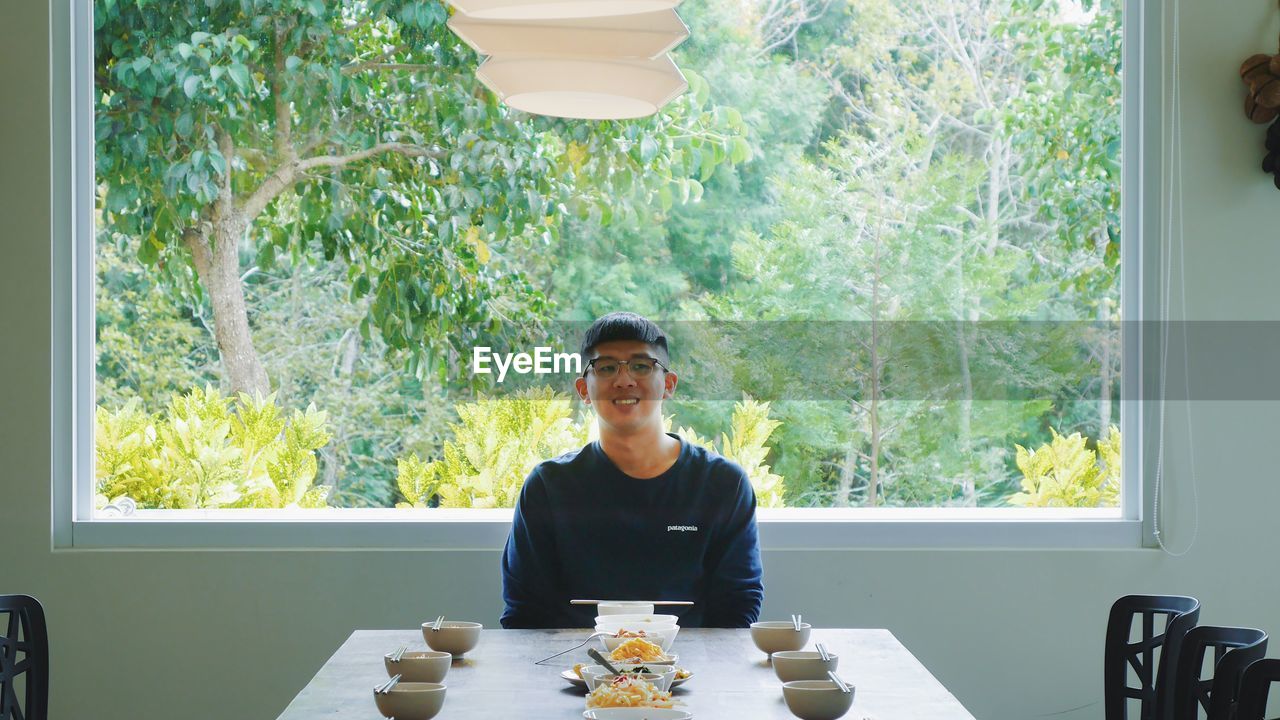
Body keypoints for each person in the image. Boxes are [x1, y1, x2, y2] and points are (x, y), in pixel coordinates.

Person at [500, 312, 764, 629]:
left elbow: (738, 607)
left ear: (668, 384)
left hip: (688, 670)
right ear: (584, 389)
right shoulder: (549, 486)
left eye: (641, 366)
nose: (624, 380)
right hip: (578, 668)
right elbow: (525, 613)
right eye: (607, 367)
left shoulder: (723, 484)